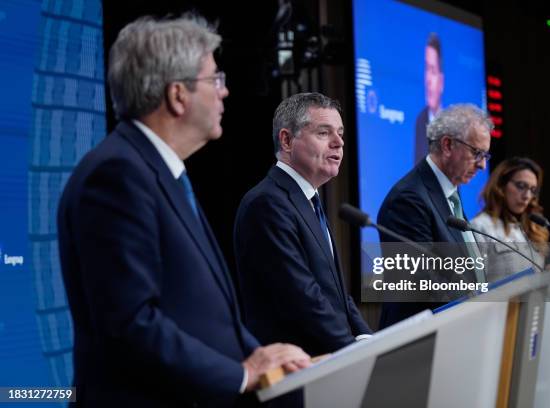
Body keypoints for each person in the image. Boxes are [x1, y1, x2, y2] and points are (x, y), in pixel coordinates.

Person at [57, 14, 309, 407]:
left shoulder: (161, 173)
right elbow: (130, 322)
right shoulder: (116, 174)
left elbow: (206, 313)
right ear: (177, 95)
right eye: (215, 80)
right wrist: (242, 373)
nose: (225, 92)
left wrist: (274, 362)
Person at [234, 92, 372, 356]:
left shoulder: (309, 200)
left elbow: (339, 297)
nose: (339, 143)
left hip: (330, 362)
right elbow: (301, 295)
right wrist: (353, 350)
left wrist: (368, 339)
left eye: (340, 133)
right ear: (287, 140)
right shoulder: (267, 203)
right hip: (299, 371)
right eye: (324, 133)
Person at [377, 103, 492, 328]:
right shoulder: (408, 200)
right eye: (477, 153)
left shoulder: (450, 193)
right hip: (421, 341)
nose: (482, 165)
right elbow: (421, 285)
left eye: (486, 155)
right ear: (447, 145)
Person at [471, 157, 549, 280]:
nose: (527, 196)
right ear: (500, 185)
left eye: (532, 190)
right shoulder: (480, 226)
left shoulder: (534, 228)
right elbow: (475, 284)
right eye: (521, 186)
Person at [414, 32, 444, 164]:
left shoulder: (453, 126)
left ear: (441, 81)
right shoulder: (420, 121)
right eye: (426, 69)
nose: (428, 80)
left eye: (432, 70)